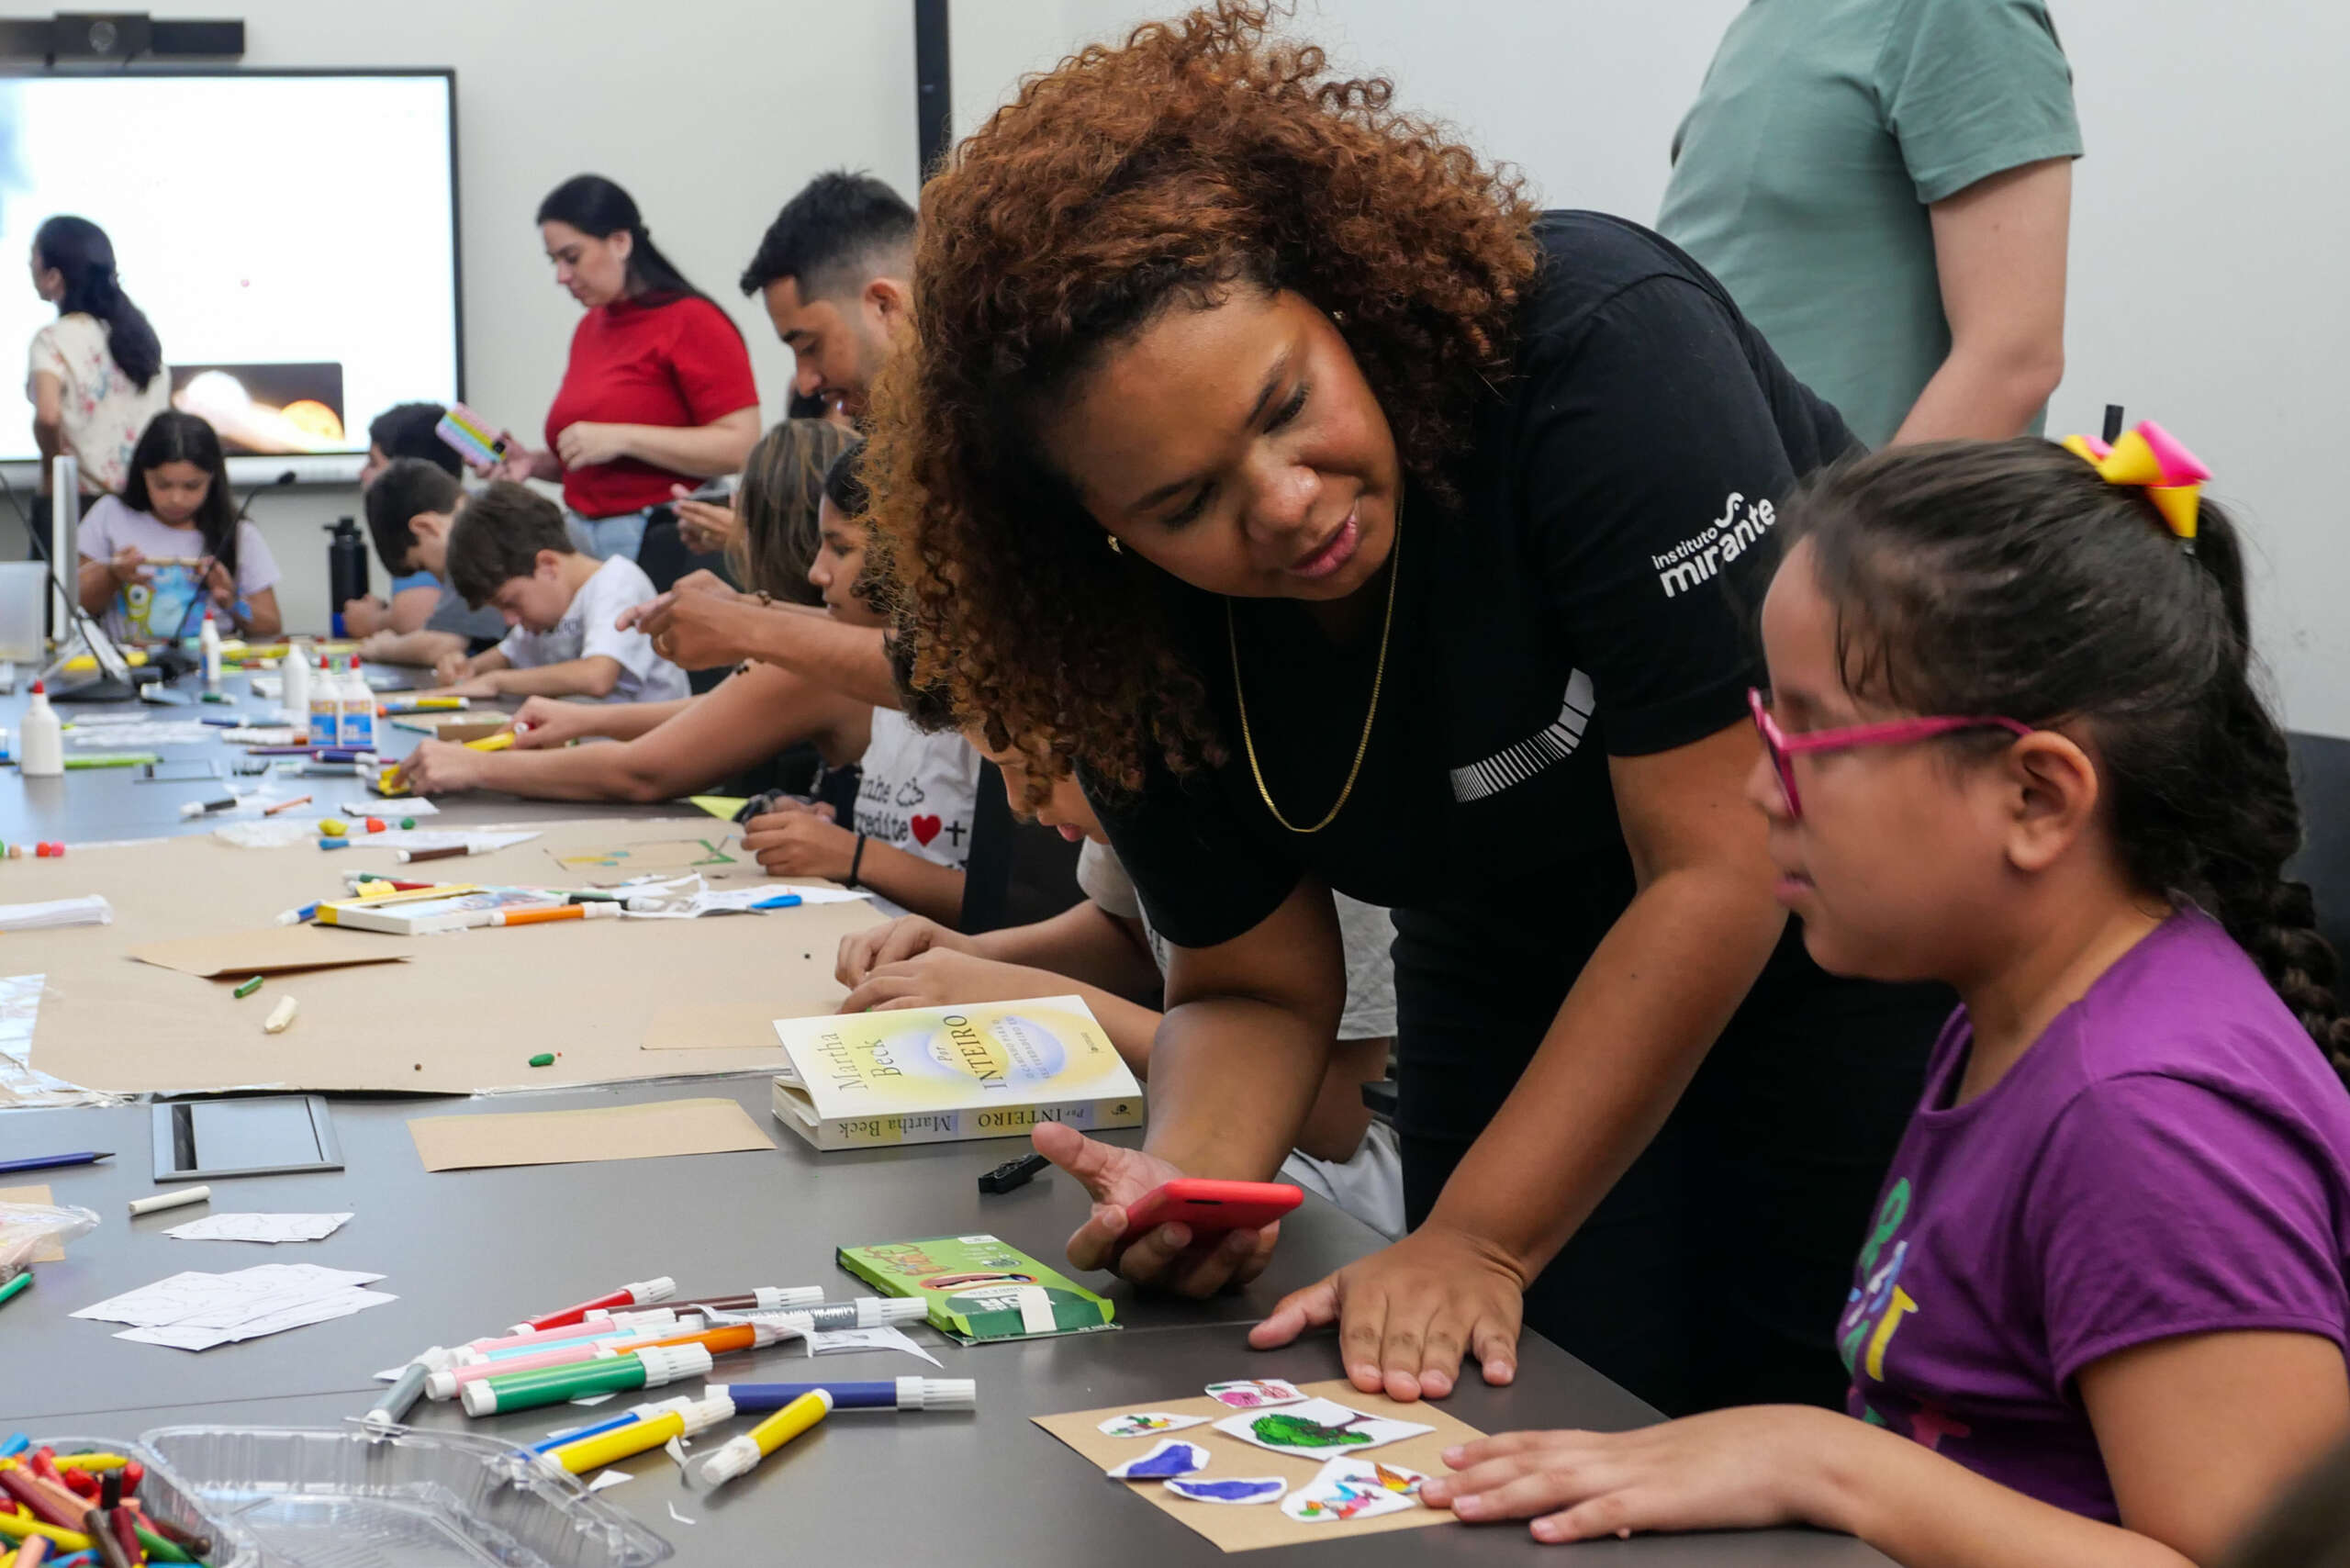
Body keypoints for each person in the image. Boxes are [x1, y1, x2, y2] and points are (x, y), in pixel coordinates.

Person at [866, 2, 1955, 1419]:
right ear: (1100, 532)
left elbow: (1719, 861)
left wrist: (1481, 1236)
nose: (1288, 503)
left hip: (1838, 916)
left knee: (1786, 1399)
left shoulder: (1601, 353)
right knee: (1534, 1402)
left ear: (1336, 294)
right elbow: (1253, 985)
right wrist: (1194, 1181)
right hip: (1504, 941)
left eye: (1285, 404)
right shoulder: (1119, 635)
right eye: (1186, 503)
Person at [1423, 435, 2350, 1559]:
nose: (1763, 788)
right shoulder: (2005, 1018)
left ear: (2034, 794)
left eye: (1810, 736)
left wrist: (1829, 1461)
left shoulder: (2147, 1122)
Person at [839, 722, 1404, 1238]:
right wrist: (971, 958)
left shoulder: (1296, 813)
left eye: (1028, 764)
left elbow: (1335, 1120)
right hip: (1194, 1107)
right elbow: (1131, 936)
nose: (1018, 802)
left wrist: (1036, 1001)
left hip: (1341, 1186)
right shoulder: (1131, 783)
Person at [1657, 0, 2080, 448]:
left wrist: (1843, 521)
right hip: (1688, 493)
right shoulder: (1761, 21)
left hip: (1823, 510)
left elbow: (2016, 358)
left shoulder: (1959, 10)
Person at [395, 420, 864, 807]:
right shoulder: (823, 638)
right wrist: (587, 721)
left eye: (740, 519)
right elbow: (722, 707)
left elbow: (642, 772)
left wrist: (476, 764)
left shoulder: (813, 657)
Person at [612, 174, 920, 703]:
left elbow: (952, 675)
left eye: (810, 345)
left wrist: (748, 629)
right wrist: (746, 611)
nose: (805, 382)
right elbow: (921, 645)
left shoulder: (1001, 435)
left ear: (885, 306)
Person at [492, 175, 758, 561]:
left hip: (662, 541)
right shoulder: (591, 327)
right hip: (584, 539)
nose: (561, 276)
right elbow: (599, 461)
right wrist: (532, 463)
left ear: (620, 242)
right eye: (554, 262)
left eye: (571, 257)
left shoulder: (692, 320)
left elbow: (742, 445)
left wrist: (623, 438)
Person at [433, 480, 688, 702]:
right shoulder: (545, 615)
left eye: (511, 603)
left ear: (548, 566)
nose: (509, 620)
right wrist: (465, 668)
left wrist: (497, 682)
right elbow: (506, 655)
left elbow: (597, 677)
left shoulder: (617, 582)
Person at [76, 409, 280, 643]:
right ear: (143, 474)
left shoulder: (237, 532)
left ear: (212, 479)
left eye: (192, 486)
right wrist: (112, 574)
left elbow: (270, 627)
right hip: (129, 669)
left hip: (211, 668)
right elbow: (74, 606)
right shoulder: (110, 513)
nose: (176, 499)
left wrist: (231, 600)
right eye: (163, 485)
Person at [27, 215, 170, 498]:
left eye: (33, 256)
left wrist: (50, 472)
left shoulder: (52, 339)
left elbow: (47, 416)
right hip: (141, 504)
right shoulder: (139, 336)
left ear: (54, 275)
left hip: (80, 504)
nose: (29, 265)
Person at [355, 458, 512, 668]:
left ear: (425, 527)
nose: (438, 580)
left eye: (424, 566)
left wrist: (383, 648)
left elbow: (441, 644)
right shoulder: (490, 504)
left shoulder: (474, 538)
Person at [346, 400, 464, 637]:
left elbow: (418, 618)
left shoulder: (423, 531)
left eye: (373, 462)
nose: (362, 473)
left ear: (407, 472)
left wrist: (374, 621)